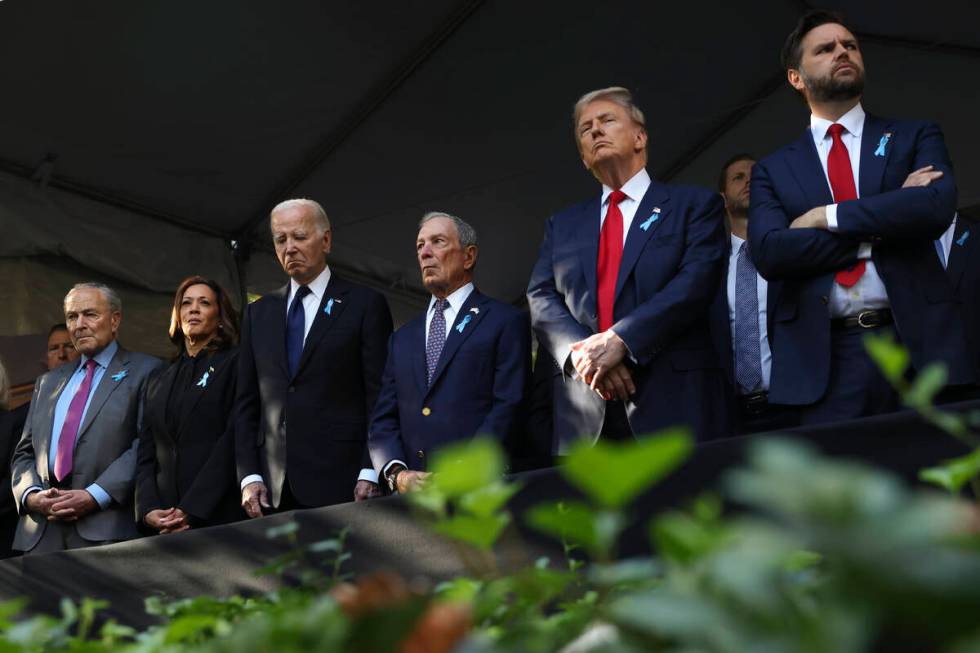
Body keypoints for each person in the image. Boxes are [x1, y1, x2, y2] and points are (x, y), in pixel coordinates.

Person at [748, 11, 973, 424]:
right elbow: (770, 252)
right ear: (796, 78)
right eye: (825, 49)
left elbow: (935, 207)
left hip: (919, 346)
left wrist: (826, 216)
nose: (842, 52)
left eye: (849, 45)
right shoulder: (772, 170)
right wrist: (891, 214)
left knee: (938, 485)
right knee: (841, 489)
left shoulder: (914, 136)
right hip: (826, 359)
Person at [527, 86, 730, 451]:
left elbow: (695, 283)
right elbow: (540, 296)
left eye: (606, 120)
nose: (594, 131)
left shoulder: (693, 206)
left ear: (640, 136)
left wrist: (622, 341)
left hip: (674, 406)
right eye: (585, 129)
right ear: (583, 157)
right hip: (586, 414)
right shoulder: (563, 225)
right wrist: (582, 357)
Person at [235, 198, 393, 516]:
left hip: (345, 483)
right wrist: (249, 476)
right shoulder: (258, 313)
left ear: (326, 240)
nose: (289, 247)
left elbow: (381, 397)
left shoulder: (364, 305)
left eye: (299, 236)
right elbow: (246, 402)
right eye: (281, 240)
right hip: (272, 491)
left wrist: (370, 468)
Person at [369, 212, 531, 493]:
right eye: (420, 246)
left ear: (469, 257)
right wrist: (397, 474)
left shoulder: (504, 321)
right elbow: (383, 417)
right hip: (411, 502)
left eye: (437, 242)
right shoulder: (402, 338)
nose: (425, 253)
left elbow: (509, 404)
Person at [10, 283, 162, 553]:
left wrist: (94, 494)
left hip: (106, 530)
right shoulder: (47, 382)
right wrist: (31, 496)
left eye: (90, 314)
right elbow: (24, 453)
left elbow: (145, 444)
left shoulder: (146, 370)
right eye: (72, 316)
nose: (79, 324)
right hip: (40, 534)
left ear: (115, 320)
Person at [136, 276, 244, 533]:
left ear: (220, 317)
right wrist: (148, 509)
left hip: (217, 516)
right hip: (163, 522)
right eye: (186, 303)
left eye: (204, 303)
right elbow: (146, 452)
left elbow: (233, 440)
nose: (193, 309)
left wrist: (192, 509)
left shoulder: (237, 362)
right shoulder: (158, 377)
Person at [710, 154, 799, 434]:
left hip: (793, 406)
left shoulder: (792, 250)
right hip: (730, 415)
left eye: (756, 176)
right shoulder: (708, 265)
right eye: (738, 177)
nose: (749, 181)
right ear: (723, 199)